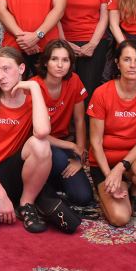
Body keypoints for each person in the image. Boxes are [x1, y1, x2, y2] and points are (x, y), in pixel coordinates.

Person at [0, 47, 72, 234]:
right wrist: (1, 196)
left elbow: (43, 132)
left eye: (6, 69)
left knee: (40, 144)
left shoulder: (32, 98)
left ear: (21, 69)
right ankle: (4, 202)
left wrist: (34, 87)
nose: (0, 76)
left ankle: (26, 203)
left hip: (17, 172)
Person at [87, 40, 136, 227]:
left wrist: (120, 169)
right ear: (117, 63)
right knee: (120, 218)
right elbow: (95, 142)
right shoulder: (101, 93)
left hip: (132, 159)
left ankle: (135, 191)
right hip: (104, 162)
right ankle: (106, 189)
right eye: (127, 59)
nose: (132, 65)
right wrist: (109, 175)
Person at [32, 41, 94, 208]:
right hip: (39, 143)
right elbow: (35, 132)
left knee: (83, 197)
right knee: (58, 159)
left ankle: (50, 185)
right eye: (54, 59)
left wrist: (79, 155)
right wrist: (71, 146)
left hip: (64, 142)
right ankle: (42, 187)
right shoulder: (34, 85)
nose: (60, 65)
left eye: (65, 60)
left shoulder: (74, 81)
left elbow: (80, 120)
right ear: (45, 62)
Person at [61, 0, 111, 99]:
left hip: (93, 42)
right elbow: (54, 13)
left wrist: (92, 44)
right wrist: (64, 42)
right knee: (64, 90)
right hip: (65, 41)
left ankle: (86, 124)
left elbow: (104, 16)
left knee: (88, 91)